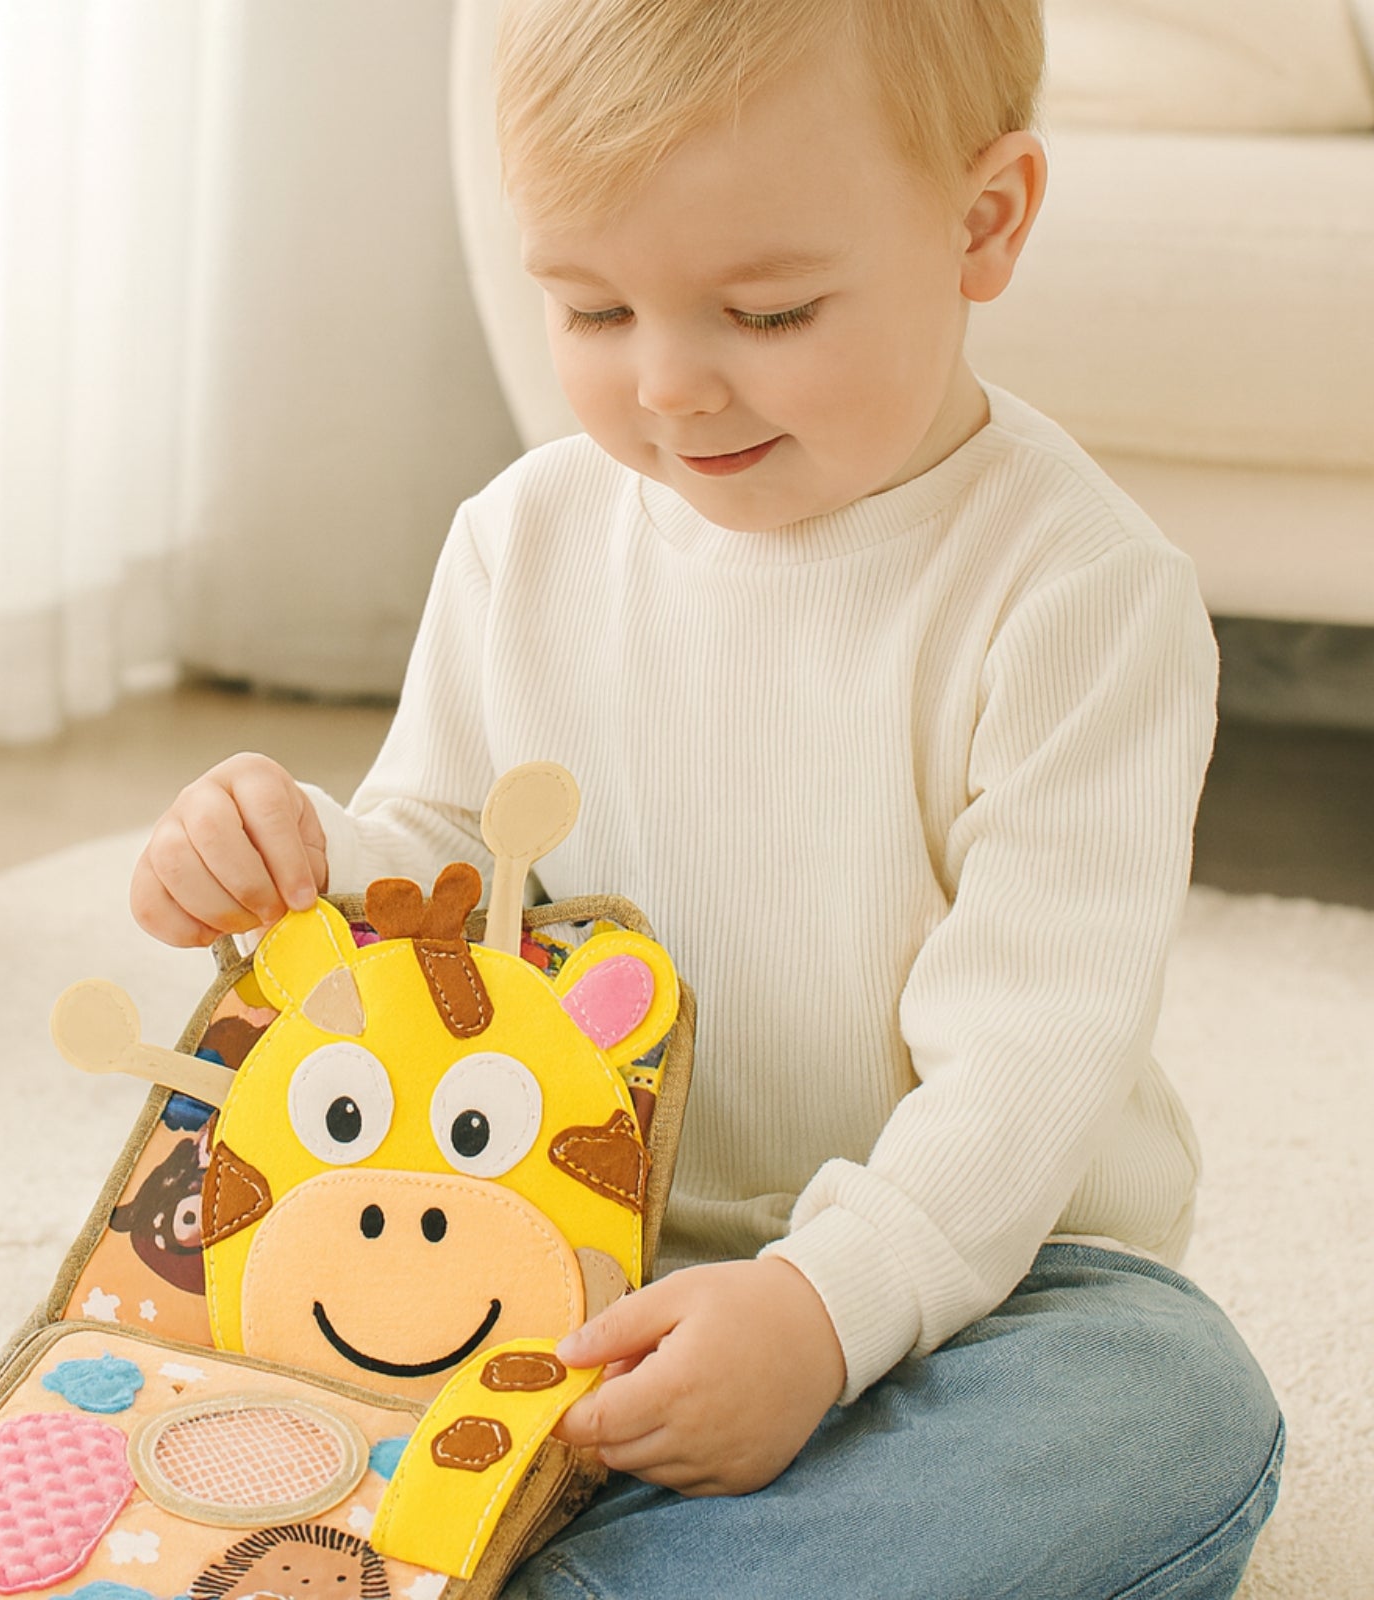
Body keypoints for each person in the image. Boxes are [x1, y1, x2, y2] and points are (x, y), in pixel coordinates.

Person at [131, 1, 1283, 1593]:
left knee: (1173, 1411)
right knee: (233, 1265)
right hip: (560, 1248)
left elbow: (1032, 1063)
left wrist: (821, 1315)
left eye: (769, 312)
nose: (671, 388)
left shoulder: (1079, 594)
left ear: (984, 221)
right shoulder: (523, 535)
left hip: (978, 1283)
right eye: (595, 310)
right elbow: (455, 877)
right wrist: (304, 856)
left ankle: (567, 1570)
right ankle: (469, 1508)